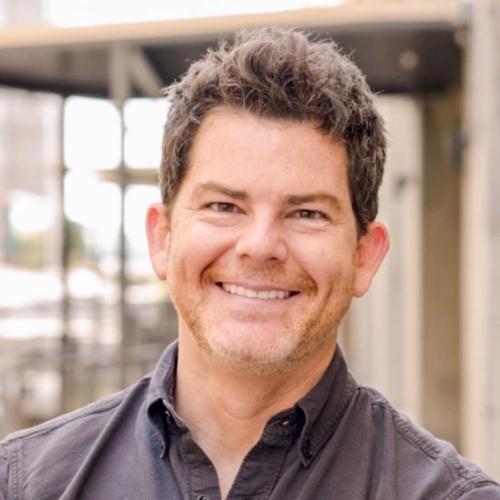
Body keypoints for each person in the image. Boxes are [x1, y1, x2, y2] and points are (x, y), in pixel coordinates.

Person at [0, 27, 499, 500]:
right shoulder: (25, 484)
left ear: (364, 255)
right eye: (224, 206)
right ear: (162, 237)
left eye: (307, 213)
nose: (259, 246)